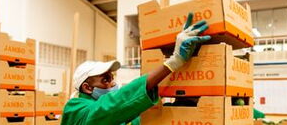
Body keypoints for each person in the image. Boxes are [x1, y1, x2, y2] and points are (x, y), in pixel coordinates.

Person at [61, 13, 211, 125]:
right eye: (105, 80)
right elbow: (110, 106)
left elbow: (141, 119)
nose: (113, 84)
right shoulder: (75, 110)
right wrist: (174, 61)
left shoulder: (118, 116)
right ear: (87, 88)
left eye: (112, 77)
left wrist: (183, 104)